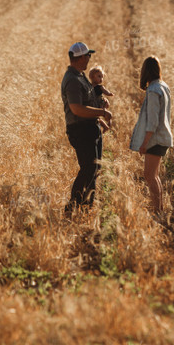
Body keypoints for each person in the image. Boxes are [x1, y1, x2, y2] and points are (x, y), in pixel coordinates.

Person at [61, 41, 112, 217]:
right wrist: (102, 112)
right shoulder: (73, 80)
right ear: (81, 57)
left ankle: (87, 207)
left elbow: (86, 103)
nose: (89, 59)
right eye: (88, 56)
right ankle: (73, 206)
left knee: (95, 168)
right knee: (88, 169)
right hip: (81, 130)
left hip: (90, 127)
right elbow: (77, 109)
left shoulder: (80, 76)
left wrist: (99, 108)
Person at [130, 56, 173, 214]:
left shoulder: (154, 90)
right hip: (163, 137)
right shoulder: (163, 86)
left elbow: (153, 121)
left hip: (155, 139)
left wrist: (144, 142)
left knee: (149, 175)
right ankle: (159, 209)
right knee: (154, 175)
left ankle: (157, 211)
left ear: (145, 71)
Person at [88, 64, 114, 133]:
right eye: (99, 76)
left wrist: (109, 94)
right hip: (94, 103)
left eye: (102, 77)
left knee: (104, 112)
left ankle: (109, 121)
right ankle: (105, 126)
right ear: (92, 77)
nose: (101, 79)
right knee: (97, 118)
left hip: (100, 102)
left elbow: (105, 91)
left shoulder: (100, 87)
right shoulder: (89, 86)